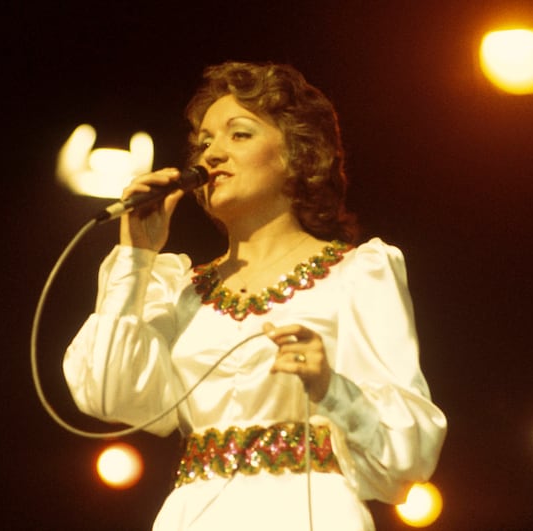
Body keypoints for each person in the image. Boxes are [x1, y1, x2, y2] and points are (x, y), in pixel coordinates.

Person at [63, 61, 447, 530]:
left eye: (239, 135)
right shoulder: (179, 290)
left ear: (297, 155)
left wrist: (331, 388)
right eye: (205, 142)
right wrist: (135, 258)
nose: (212, 155)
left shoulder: (355, 275)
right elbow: (107, 395)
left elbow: (410, 455)